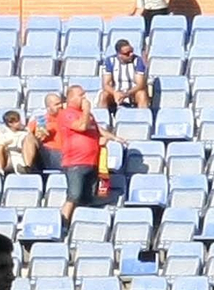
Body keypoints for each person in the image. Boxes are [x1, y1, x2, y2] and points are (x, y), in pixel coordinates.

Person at [57, 84, 120, 226]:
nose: (85, 98)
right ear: (71, 97)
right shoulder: (67, 113)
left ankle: (80, 224)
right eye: (81, 95)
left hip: (91, 162)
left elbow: (97, 129)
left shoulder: (88, 115)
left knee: (87, 198)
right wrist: (86, 110)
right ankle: (63, 224)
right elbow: (82, 126)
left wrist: (114, 138)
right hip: (75, 162)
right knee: (74, 195)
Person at [100, 38, 149, 111]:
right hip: (116, 92)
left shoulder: (138, 61)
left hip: (132, 92)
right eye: (127, 53)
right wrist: (115, 93)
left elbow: (140, 84)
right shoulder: (110, 61)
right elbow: (105, 84)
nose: (131, 54)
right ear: (119, 54)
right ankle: (101, 119)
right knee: (103, 95)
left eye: (131, 51)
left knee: (142, 94)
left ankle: (142, 119)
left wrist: (126, 94)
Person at [28, 93, 65, 172]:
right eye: (57, 104)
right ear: (48, 108)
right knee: (29, 138)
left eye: (61, 103)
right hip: (46, 154)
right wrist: (37, 138)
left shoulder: (68, 119)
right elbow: (27, 136)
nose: (60, 106)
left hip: (64, 154)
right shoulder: (40, 121)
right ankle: (28, 167)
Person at [0, 110, 36, 174]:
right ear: (10, 124)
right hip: (9, 159)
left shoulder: (26, 132)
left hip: (21, 156)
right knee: (0, 147)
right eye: (17, 121)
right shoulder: (4, 135)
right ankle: (0, 169)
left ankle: (26, 168)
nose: (20, 123)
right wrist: (5, 144)